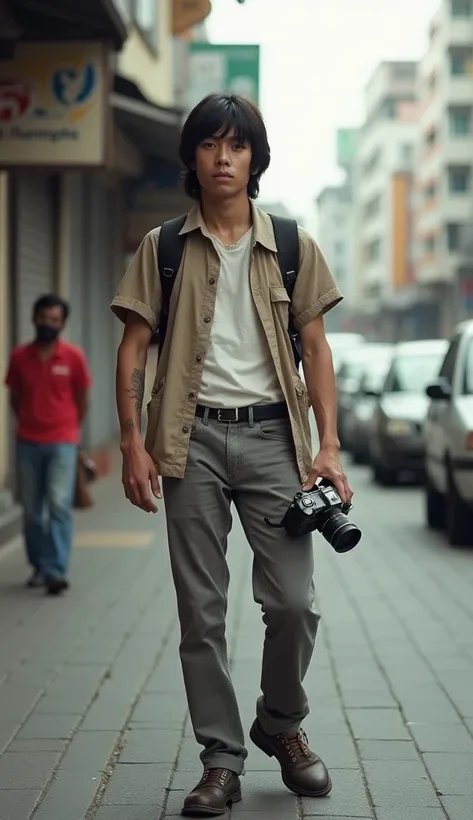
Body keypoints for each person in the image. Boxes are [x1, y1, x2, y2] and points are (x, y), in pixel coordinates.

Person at [111, 93, 353, 816]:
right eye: (210, 144)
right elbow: (132, 350)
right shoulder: (162, 249)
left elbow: (315, 348)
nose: (223, 157)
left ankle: (281, 725)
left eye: (236, 145)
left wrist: (329, 445)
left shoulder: (292, 245)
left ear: (254, 157)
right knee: (202, 613)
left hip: (277, 440)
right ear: (192, 157)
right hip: (189, 445)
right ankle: (221, 759)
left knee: (294, 603)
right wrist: (131, 442)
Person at [4, 294, 92, 595]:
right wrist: (29, 423)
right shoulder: (19, 357)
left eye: (55, 320)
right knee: (31, 509)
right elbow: (15, 399)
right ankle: (39, 566)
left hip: (63, 442)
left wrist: (69, 429)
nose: (48, 324)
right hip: (27, 441)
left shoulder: (74, 357)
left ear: (63, 323)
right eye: (44, 318)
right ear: (34, 318)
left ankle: (55, 571)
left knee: (58, 504)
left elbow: (82, 401)